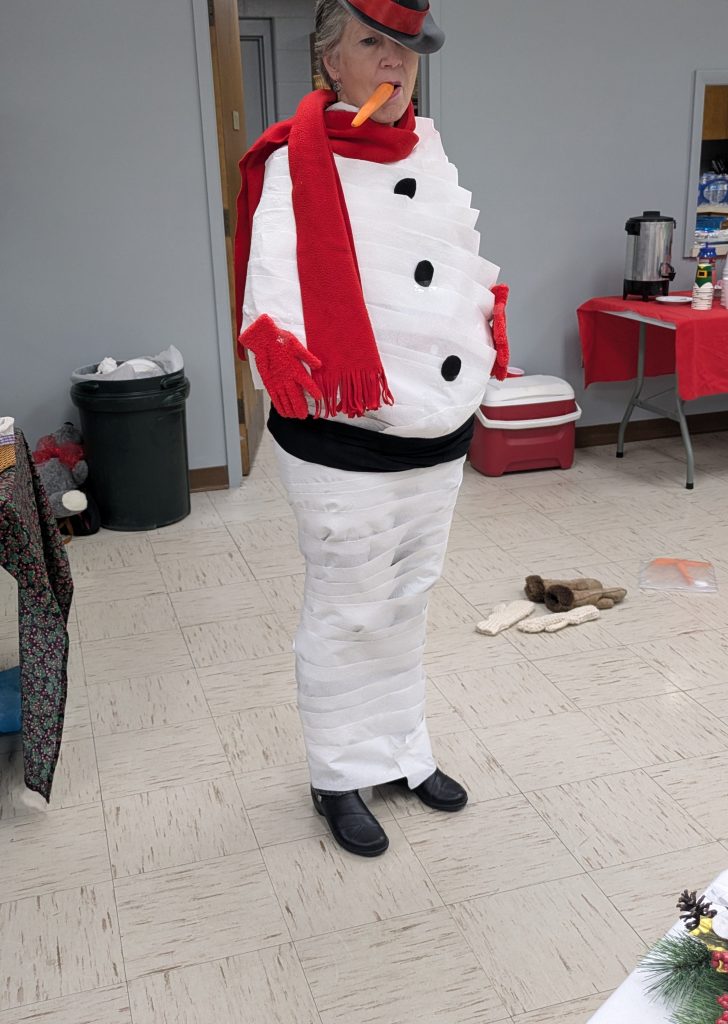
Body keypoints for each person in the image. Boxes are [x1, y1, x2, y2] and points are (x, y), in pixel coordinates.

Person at [234, 0, 509, 858]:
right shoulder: (293, 161)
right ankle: (336, 773)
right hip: (343, 437)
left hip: (437, 431)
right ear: (330, 61)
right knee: (347, 608)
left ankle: (402, 751)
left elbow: (453, 271)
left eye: (406, 49)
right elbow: (273, 298)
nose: (393, 62)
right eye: (370, 44)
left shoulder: (426, 146)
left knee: (407, 596)